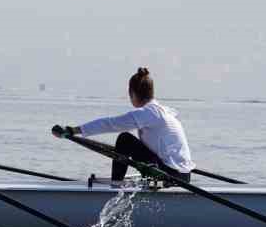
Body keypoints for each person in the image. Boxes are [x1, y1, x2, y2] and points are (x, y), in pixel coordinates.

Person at [53, 66, 195, 184]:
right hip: (184, 176)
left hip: (170, 175)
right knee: (128, 146)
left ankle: (115, 185)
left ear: (131, 93)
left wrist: (73, 130)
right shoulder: (164, 111)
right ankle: (128, 180)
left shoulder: (147, 113)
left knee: (124, 139)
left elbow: (110, 124)